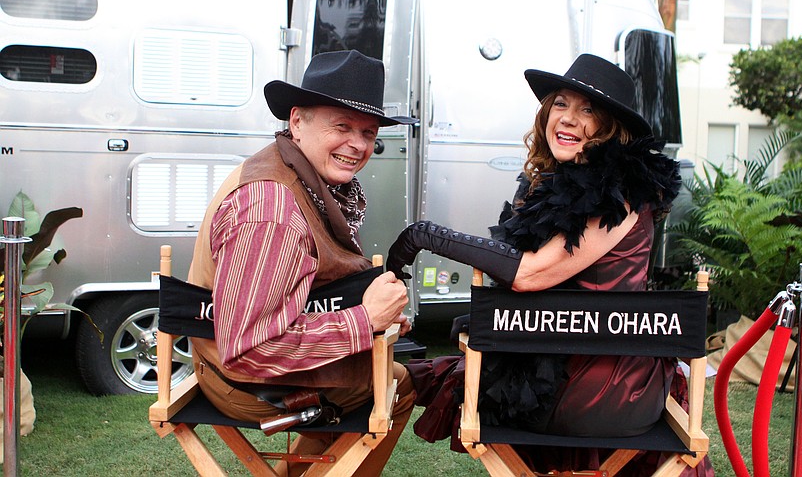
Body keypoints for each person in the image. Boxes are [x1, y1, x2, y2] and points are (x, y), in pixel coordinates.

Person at [388, 54, 711, 474]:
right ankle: (351, 385)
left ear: (612, 129)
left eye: (588, 110)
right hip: (558, 356)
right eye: (560, 103)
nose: (569, 119)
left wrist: (424, 235)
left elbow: (530, 273)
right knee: (435, 372)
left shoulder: (622, 190)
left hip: (603, 387)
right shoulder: (553, 182)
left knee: (457, 374)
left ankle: (355, 387)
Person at [187, 50, 417, 477]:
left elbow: (304, 287)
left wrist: (376, 318)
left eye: (368, 132)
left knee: (387, 368)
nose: (358, 145)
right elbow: (248, 350)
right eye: (342, 126)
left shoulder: (300, 175)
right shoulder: (271, 209)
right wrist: (364, 322)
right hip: (240, 381)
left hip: (229, 361)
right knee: (395, 383)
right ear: (296, 121)